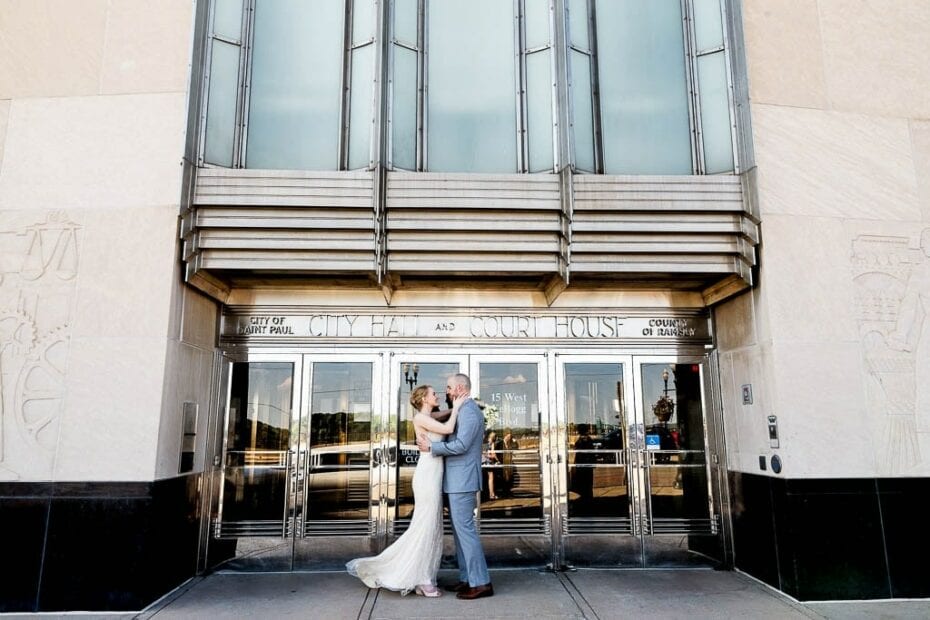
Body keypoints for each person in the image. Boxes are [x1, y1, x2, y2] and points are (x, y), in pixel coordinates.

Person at [346, 384, 462, 597]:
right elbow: (448, 429)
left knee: (431, 525)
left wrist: (453, 409)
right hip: (427, 476)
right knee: (425, 525)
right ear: (424, 399)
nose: (437, 395)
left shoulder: (430, 415)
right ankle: (423, 579)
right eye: (433, 394)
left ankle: (421, 576)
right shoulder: (420, 418)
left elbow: (441, 415)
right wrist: (458, 406)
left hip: (434, 475)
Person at [416, 373, 493, 600]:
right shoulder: (462, 409)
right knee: (460, 533)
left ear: (459, 388)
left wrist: (432, 448)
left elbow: (460, 445)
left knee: (466, 532)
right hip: (455, 481)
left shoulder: (469, 412)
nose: (446, 391)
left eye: (449, 388)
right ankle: (467, 578)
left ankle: (481, 582)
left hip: (463, 482)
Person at [500, 429, 518, 496]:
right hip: (503, 463)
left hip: (509, 462)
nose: (509, 438)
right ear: (505, 436)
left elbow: (516, 447)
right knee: (505, 478)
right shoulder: (501, 443)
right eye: (508, 437)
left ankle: (508, 491)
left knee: (509, 477)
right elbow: (498, 453)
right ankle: (505, 492)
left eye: (510, 437)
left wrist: (515, 442)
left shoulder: (510, 443)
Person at [484, 430, 500, 500]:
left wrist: (486, 456)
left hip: (488, 462)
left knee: (490, 479)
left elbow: (487, 454)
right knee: (491, 479)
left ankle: (491, 494)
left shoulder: (488, 443)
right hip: (490, 462)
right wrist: (498, 460)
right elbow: (493, 454)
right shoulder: (493, 444)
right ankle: (492, 494)